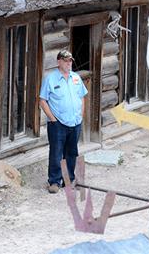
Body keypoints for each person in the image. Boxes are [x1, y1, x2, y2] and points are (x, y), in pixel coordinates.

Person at [39, 50, 88, 194]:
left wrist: (81, 115)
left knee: (72, 152)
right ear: (58, 62)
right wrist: (52, 119)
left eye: (70, 61)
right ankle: (54, 181)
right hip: (58, 123)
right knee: (56, 152)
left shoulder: (76, 78)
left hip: (75, 121)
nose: (69, 63)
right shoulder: (50, 79)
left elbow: (82, 97)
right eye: (66, 61)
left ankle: (68, 180)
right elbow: (42, 100)